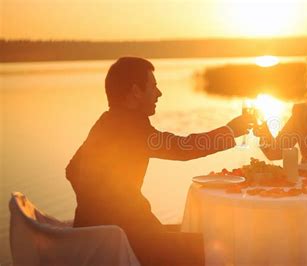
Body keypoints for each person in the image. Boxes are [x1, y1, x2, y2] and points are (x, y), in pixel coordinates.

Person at [65, 57, 254, 265]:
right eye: (153, 86)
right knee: (221, 247)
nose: (159, 93)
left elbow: (71, 170)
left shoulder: (106, 122)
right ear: (136, 92)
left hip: (94, 235)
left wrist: (95, 204)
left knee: (191, 232)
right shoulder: (132, 130)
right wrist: (232, 130)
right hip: (128, 239)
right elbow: (183, 148)